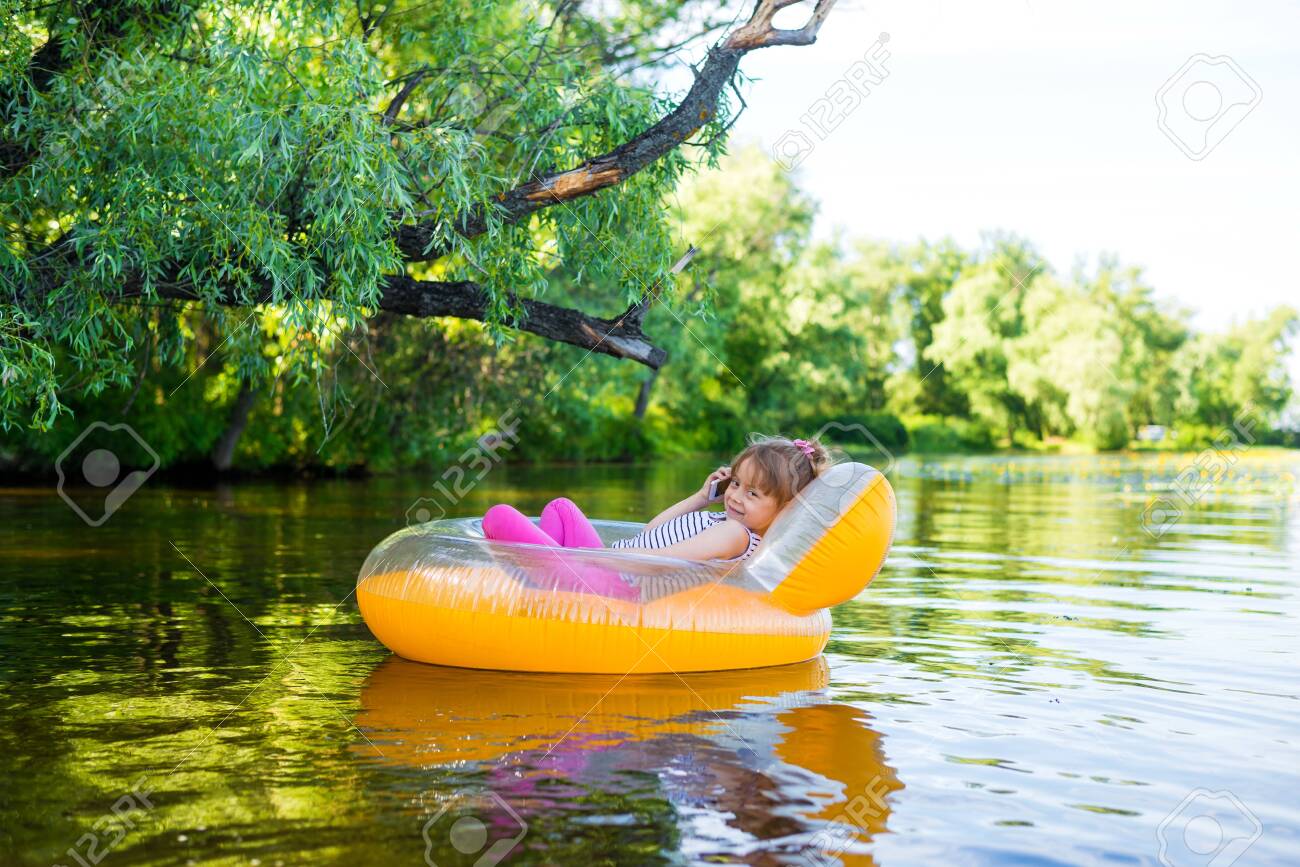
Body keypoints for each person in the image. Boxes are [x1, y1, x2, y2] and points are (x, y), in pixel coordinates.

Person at [481, 435, 832, 563]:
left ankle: (548, 578)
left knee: (499, 516)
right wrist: (700, 498)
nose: (736, 496)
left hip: (621, 582)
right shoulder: (724, 522)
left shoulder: (735, 534)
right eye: (736, 483)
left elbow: (665, 559)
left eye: (752, 493)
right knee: (560, 508)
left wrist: (595, 560)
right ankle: (548, 576)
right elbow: (652, 533)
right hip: (611, 565)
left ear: (783, 509)